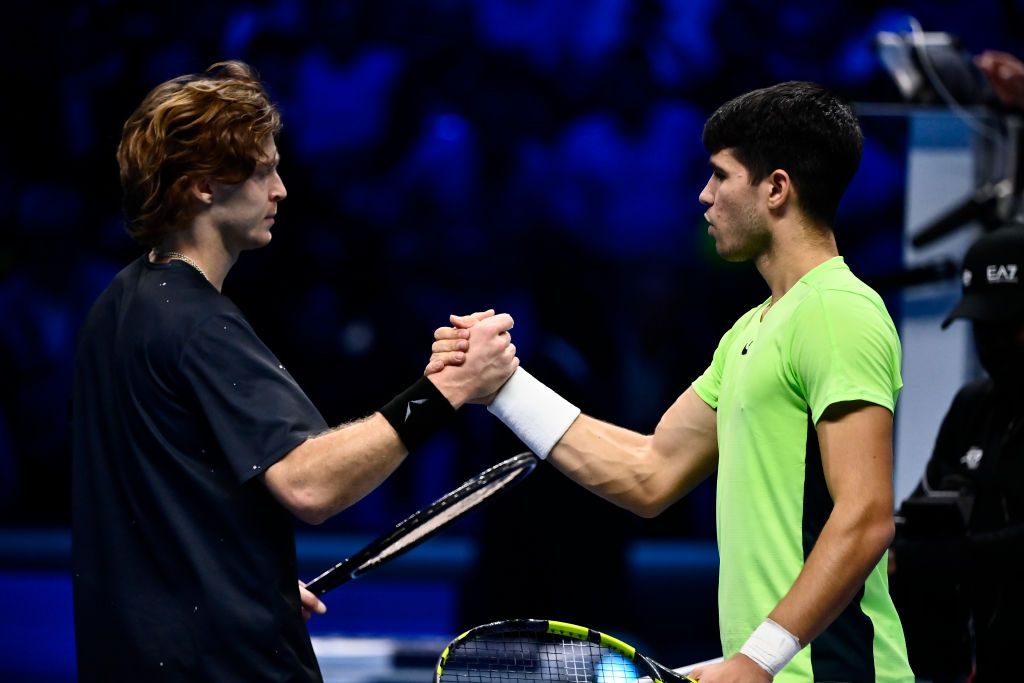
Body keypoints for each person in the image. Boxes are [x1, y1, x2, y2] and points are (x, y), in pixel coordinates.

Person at [432, 81, 914, 682]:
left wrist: (757, 660)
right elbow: (650, 471)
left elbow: (867, 515)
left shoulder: (839, 310)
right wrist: (503, 387)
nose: (703, 195)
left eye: (720, 175)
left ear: (776, 188)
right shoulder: (753, 328)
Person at [71, 61, 518, 682]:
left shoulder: (118, 305)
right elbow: (310, 486)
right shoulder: (199, 325)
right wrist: (446, 391)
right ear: (203, 185)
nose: (281, 189)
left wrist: (243, 583)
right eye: (262, 170)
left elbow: (167, 507)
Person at [891, 226, 1024, 682]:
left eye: (1010, 327)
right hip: (976, 658)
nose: (995, 343)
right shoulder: (974, 407)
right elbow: (919, 508)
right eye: (982, 328)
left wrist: (941, 556)